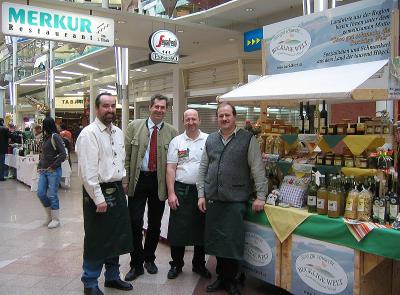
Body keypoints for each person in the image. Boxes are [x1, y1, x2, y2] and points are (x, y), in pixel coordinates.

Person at [197, 102, 267, 295]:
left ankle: (233, 280)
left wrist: (261, 195)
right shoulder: (211, 139)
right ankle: (221, 277)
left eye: (228, 115)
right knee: (217, 241)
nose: (224, 119)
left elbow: (257, 168)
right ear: (217, 118)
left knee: (233, 241)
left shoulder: (247, 138)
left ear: (234, 117)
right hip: (213, 199)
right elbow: (203, 168)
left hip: (235, 199)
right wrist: (201, 194)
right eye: (221, 116)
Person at [75, 93, 133, 295]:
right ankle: (90, 282)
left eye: (113, 106)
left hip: (116, 189)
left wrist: (123, 180)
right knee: (97, 238)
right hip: (97, 191)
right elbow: (87, 172)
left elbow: (120, 159)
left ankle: (112, 277)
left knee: (116, 235)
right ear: (97, 109)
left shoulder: (117, 131)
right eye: (105, 106)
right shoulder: (88, 134)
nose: (110, 110)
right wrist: (98, 198)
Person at [123, 94, 178, 281]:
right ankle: (135, 264)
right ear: (150, 107)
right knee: (135, 222)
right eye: (157, 107)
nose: (160, 110)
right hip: (138, 181)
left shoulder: (172, 132)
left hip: (158, 182)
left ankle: (149, 259)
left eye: (163, 108)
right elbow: (127, 156)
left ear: (166, 110)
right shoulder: (134, 126)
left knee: (155, 223)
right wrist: (125, 179)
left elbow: (174, 162)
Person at [166, 109, 211, 280]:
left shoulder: (208, 140)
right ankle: (176, 264)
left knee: (201, 230)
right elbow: (170, 168)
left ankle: (198, 264)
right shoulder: (176, 141)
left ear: (199, 120)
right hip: (181, 191)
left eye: (194, 119)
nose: (191, 122)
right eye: (187, 119)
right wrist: (171, 193)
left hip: (202, 193)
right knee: (178, 230)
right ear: (183, 121)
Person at [37, 117, 67, 229]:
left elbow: (63, 154)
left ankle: (55, 219)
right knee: (40, 193)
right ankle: (49, 216)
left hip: (53, 170)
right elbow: (43, 154)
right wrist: (40, 166)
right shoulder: (46, 137)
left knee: (52, 194)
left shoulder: (55, 136)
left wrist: (53, 165)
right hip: (43, 170)